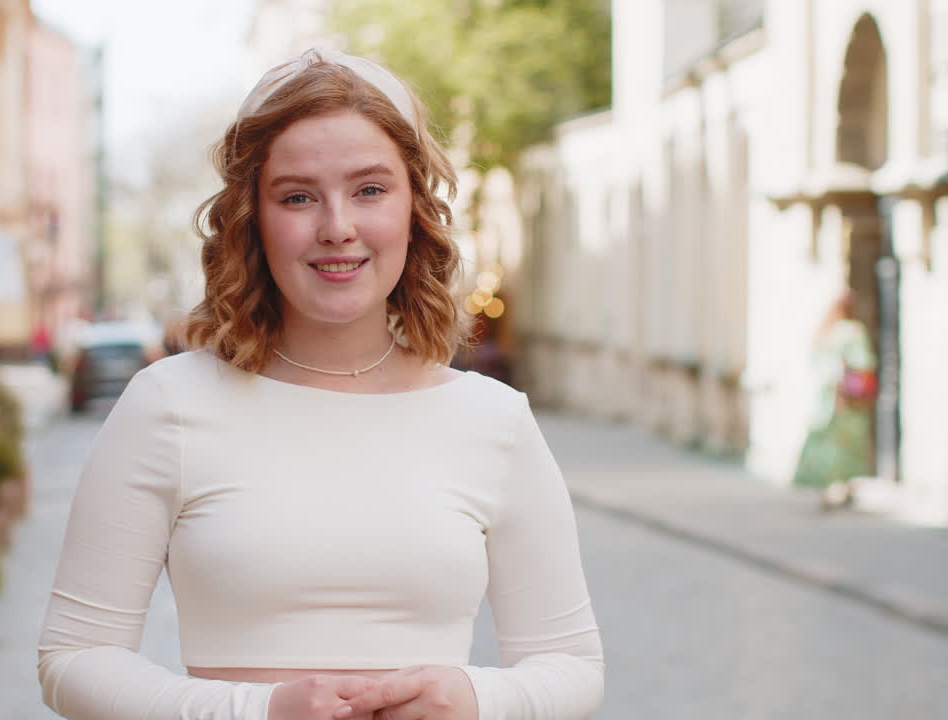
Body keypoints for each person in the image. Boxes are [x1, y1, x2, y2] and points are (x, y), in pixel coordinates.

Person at [38, 48, 604, 720]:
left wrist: (477, 697)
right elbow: (72, 659)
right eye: (299, 196)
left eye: (370, 190)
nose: (337, 228)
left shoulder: (494, 420)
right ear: (253, 218)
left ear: (414, 208)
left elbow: (572, 666)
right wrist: (260, 711)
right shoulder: (169, 406)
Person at [793, 289, 878, 508]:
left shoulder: (825, 332)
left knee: (826, 440)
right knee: (848, 443)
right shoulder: (852, 332)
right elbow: (863, 362)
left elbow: (817, 364)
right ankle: (842, 486)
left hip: (825, 399)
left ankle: (827, 486)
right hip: (847, 399)